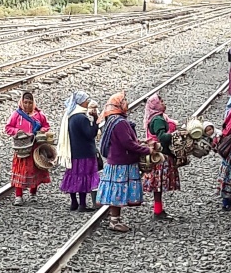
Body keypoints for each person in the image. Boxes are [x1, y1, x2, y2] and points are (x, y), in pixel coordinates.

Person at [96, 91, 150, 232]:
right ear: (118, 105)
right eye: (124, 101)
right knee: (118, 191)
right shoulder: (120, 123)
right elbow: (127, 143)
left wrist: (140, 142)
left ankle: (115, 219)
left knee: (116, 190)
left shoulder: (112, 120)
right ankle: (114, 221)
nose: (127, 103)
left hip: (116, 160)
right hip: (121, 162)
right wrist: (146, 150)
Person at [5, 90, 50, 206]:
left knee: (35, 169)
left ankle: (33, 193)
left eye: (30, 103)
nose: (27, 105)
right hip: (22, 148)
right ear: (21, 102)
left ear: (33, 103)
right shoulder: (17, 115)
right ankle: (18, 196)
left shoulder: (39, 115)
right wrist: (18, 131)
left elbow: (46, 126)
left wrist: (41, 131)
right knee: (20, 170)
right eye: (25, 102)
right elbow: (8, 128)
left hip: (35, 147)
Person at [57, 90, 100, 212]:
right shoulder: (82, 118)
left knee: (73, 176)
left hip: (73, 153)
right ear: (80, 102)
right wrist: (95, 120)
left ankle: (74, 203)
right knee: (83, 177)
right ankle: (82, 204)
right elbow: (90, 134)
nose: (88, 102)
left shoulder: (70, 116)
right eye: (86, 100)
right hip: (85, 153)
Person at [142, 93, 180, 218]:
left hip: (157, 155)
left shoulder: (155, 117)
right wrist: (176, 135)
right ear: (156, 105)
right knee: (158, 185)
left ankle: (158, 210)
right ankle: (158, 211)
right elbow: (162, 137)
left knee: (158, 186)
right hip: (161, 156)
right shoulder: (158, 120)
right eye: (161, 102)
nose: (164, 104)